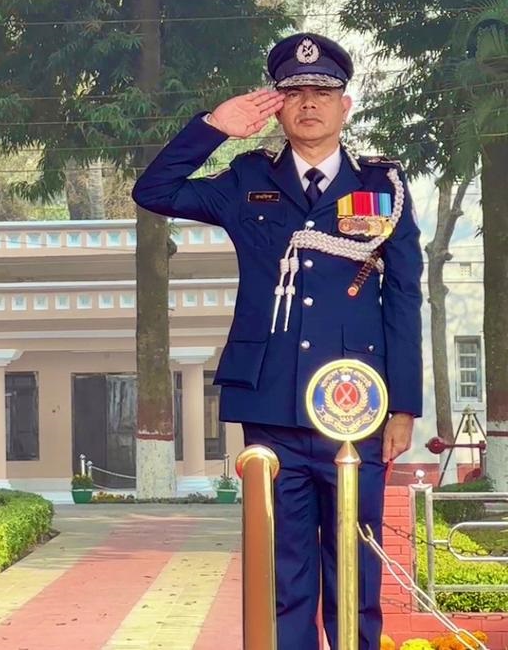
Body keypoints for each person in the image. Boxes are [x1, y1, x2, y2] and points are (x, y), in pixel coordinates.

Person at [131, 32, 421, 650]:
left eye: (323, 92)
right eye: (294, 93)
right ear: (277, 108)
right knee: (283, 566)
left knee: (356, 563)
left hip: (356, 406)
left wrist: (403, 406)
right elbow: (154, 192)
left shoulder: (383, 185)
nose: (309, 103)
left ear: (346, 106)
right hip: (272, 403)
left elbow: (402, 295)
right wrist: (214, 127)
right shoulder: (247, 178)